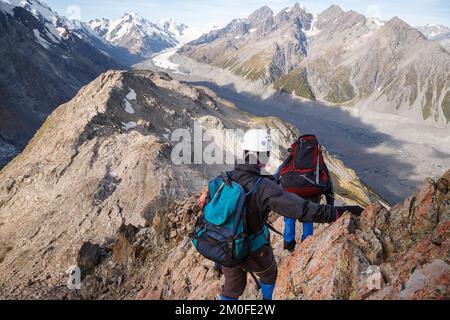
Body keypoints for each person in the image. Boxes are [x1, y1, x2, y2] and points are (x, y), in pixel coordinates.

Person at [207, 129, 364, 300]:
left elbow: (216, 219)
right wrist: (339, 212)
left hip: (226, 248)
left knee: (232, 288)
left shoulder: (225, 178)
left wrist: (219, 259)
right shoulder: (264, 187)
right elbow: (303, 209)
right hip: (255, 249)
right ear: (264, 155)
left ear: (244, 152)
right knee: (269, 276)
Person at [274, 135, 335, 252]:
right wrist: (330, 206)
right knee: (308, 219)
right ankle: (306, 247)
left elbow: (278, 174)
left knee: (289, 218)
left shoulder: (293, 156)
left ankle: (288, 245)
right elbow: (328, 182)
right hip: (311, 194)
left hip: (291, 193)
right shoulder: (316, 159)